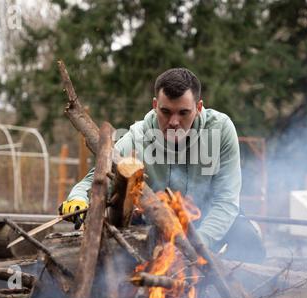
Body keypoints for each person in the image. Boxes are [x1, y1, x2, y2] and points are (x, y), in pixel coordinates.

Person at [59, 68, 265, 263]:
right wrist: (77, 199)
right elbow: (96, 180)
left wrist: (195, 245)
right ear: (155, 105)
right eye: (166, 112)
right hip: (153, 227)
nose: (173, 121)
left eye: (183, 113)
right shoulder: (137, 137)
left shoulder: (221, 130)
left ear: (199, 108)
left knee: (249, 242)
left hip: (206, 221)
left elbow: (226, 202)